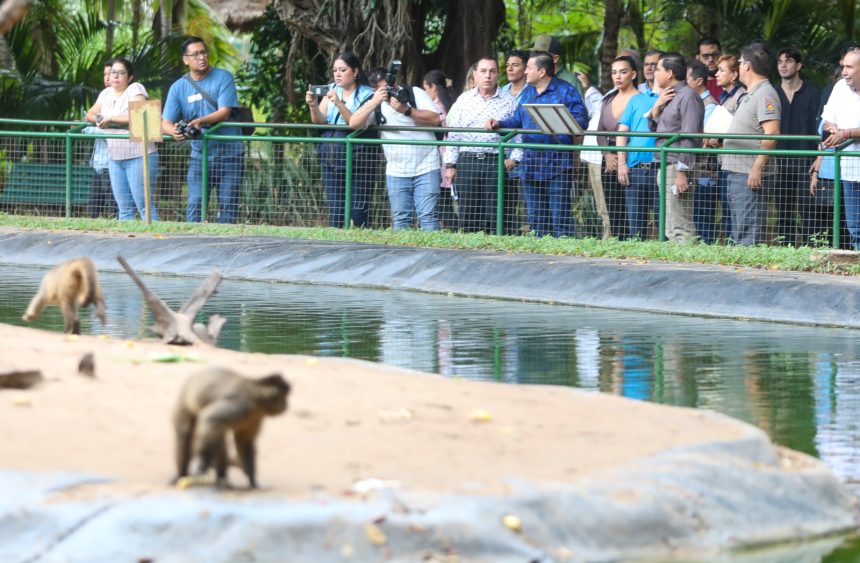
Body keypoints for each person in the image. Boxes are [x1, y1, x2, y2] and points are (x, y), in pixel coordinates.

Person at [487, 51, 588, 237]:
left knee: (560, 218)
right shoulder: (528, 93)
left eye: (528, 68)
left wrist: (559, 120)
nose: (525, 72)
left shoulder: (565, 90)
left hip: (557, 163)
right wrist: (498, 124)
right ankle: (540, 251)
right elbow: (516, 120)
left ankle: (563, 250)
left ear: (542, 72)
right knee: (536, 219)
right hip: (531, 164)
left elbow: (582, 120)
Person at [162, 36, 244, 223]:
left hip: (230, 154)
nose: (202, 57)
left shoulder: (223, 77)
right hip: (200, 156)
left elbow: (224, 112)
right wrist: (173, 131)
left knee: (228, 205)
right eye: (196, 54)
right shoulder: (178, 87)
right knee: (195, 203)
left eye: (204, 52)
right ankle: (193, 238)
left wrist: (200, 122)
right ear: (186, 59)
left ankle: (226, 239)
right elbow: (165, 122)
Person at [349, 66, 442, 231]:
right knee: (401, 219)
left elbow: (435, 119)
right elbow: (354, 123)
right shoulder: (376, 104)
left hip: (427, 166)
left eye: (390, 87)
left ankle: (432, 248)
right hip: (396, 170)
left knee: (428, 217)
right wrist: (375, 101)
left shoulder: (414, 93)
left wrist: (406, 110)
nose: (389, 92)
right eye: (383, 90)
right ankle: (402, 248)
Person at [444, 57, 519, 233]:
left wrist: (515, 158)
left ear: (498, 74)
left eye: (492, 71)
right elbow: (454, 133)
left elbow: (519, 133)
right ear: (475, 75)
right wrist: (450, 165)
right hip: (467, 160)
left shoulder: (509, 100)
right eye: (483, 71)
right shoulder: (464, 99)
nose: (487, 76)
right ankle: (470, 247)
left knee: (497, 213)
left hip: (495, 161)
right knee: (469, 212)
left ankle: (498, 246)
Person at [306, 51, 375, 228]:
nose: (337, 74)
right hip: (331, 156)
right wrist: (313, 105)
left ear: (355, 72)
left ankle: (360, 238)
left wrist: (338, 102)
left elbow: (354, 123)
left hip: (359, 159)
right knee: (336, 209)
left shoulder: (368, 94)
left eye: (343, 70)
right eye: (335, 70)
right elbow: (320, 121)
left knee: (358, 211)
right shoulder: (331, 89)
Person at [85, 57, 159, 221]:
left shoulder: (135, 89)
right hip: (115, 157)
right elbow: (90, 114)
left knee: (145, 207)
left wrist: (111, 119)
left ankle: (156, 235)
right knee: (124, 209)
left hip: (139, 155)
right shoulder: (105, 93)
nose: (115, 76)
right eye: (113, 72)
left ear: (130, 77)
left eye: (121, 73)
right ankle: (128, 237)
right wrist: (100, 119)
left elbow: (140, 114)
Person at [722, 43, 781, 246]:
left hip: (749, 173)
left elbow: (772, 133)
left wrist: (757, 168)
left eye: (739, 62)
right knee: (740, 228)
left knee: (749, 230)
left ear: (747, 65)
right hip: (738, 171)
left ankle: (750, 265)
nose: (738, 67)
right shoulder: (752, 93)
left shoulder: (765, 94)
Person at [649, 52, 704, 243]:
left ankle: (689, 259)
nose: (654, 73)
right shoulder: (669, 96)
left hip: (676, 166)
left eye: (658, 69)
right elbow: (660, 129)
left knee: (681, 225)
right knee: (670, 226)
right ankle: (676, 258)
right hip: (665, 164)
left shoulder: (688, 96)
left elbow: (689, 135)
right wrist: (656, 108)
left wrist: (683, 171)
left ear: (669, 73)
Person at [775, 47, 820, 247]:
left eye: (789, 61)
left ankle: (811, 250)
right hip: (778, 163)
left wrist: (818, 159)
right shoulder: (772, 93)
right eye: (780, 61)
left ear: (799, 65)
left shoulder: (813, 93)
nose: (783, 65)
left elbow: (820, 129)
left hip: (806, 162)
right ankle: (786, 251)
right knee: (783, 212)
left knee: (808, 210)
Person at [820, 47, 860, 250]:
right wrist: (833, 129)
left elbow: (845, 133)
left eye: (849, 67)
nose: (843, 71)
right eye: (843, 66)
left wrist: (845, 133)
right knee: (855, 228)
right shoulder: (839, 88)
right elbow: (828, 119)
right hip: (850, 170)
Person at [597, 55, 639, 238]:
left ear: (633, 74)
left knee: (633, 209)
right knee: (613, 209)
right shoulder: (608, 99)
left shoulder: (640, 99)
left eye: (623, 72)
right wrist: (607, 154)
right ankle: (617, 242)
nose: (618, 77)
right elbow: (600, 132)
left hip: (632, 155)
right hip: (609, 158)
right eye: (614, 72)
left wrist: (622, 157)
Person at [617, 78, 660, 240]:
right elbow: (622, 133)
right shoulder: (636, 99)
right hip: (636, 168)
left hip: (661, 168)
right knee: (635, 226)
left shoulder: (676, 98)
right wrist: (622, 164)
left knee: (664, 224)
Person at [687, 60, 719, 243]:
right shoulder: (695, 101)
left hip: (704, 173)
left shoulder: (709, 105)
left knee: (703, 220)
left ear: (698, 81)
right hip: (694, 171)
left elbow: (703, 139)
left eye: (687, 79)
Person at [423, 69, 458, 230]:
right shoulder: (451, 103)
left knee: (442, 204)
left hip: (441, 158)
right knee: (446, 202)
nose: (425, 93)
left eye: (426, 88)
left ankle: (455, 230)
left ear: (433, 87)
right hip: (449, 156)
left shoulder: (435, 108)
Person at [83, 62, 117, 219]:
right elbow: (93, 117)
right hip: (98, 162)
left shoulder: (126, 97)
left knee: (114, 204)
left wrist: (85, 128)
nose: (107, 78)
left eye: (111, 73)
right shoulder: (104, 95)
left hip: (112, 163)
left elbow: (112, 131)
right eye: (105, 74)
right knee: (93, 207)